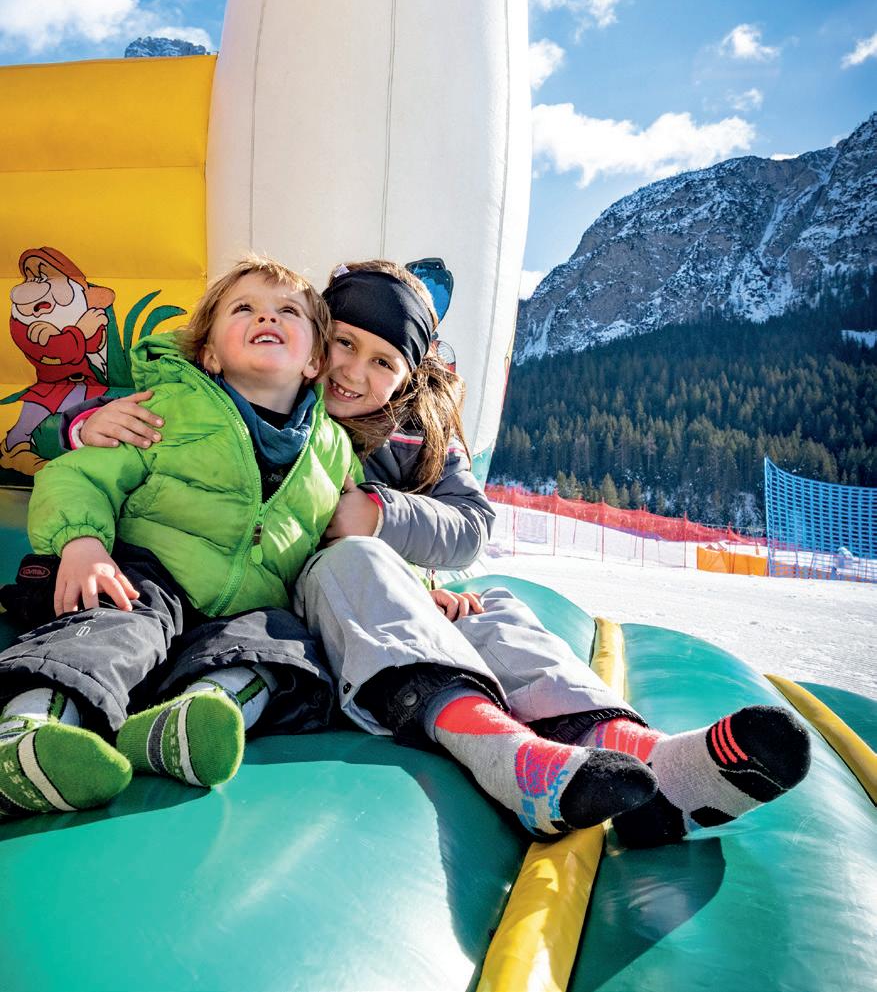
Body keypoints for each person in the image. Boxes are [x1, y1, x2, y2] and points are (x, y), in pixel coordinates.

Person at [54, 261, 811, 844]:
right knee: (350, 562)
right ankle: (501, 751)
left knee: (493, 607)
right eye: (343, 343)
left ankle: (642, 756)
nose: (354, 372)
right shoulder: (263, 400)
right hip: (307, 602)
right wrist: (80, 428)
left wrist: (383, 518)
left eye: (382, 361)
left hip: (394, 591)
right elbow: (160, 426)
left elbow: (470, 525)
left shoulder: (414, 437)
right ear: (315, 344)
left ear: (408, 377)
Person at [0, 257, 359, 819]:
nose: (267, 317)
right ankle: (27, 732)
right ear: (210, 354)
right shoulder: (167, 410)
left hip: (245, 612)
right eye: (244, 308)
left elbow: (353, 540)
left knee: (284, 649)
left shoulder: (334, 449)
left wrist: (419, 586)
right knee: (120, 625)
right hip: (146, 578)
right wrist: (83, 544)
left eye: (288, 311)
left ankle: (192, 721)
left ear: (315, 359)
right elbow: (77, 475)